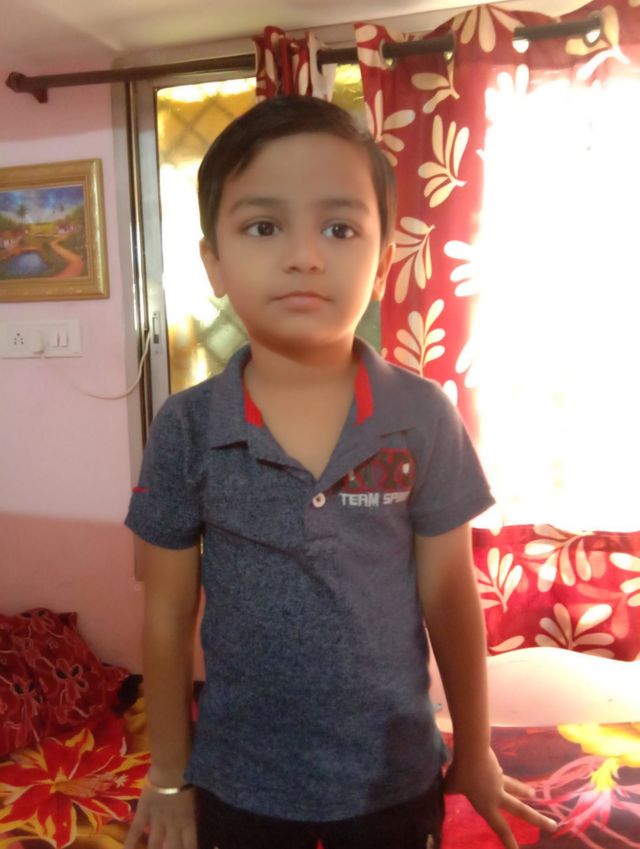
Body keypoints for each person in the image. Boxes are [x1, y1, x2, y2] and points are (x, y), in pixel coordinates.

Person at [123, 95, 558, 849]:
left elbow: (450, 595)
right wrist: (167, 777)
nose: (305, 256)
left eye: (339, 228)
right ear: (213, 262)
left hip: (394, 780)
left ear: (383, 260)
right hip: (240, 785)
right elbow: (166, 614)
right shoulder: (186, 427)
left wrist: (476, 750)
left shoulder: (422, 415)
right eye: (264, 227)